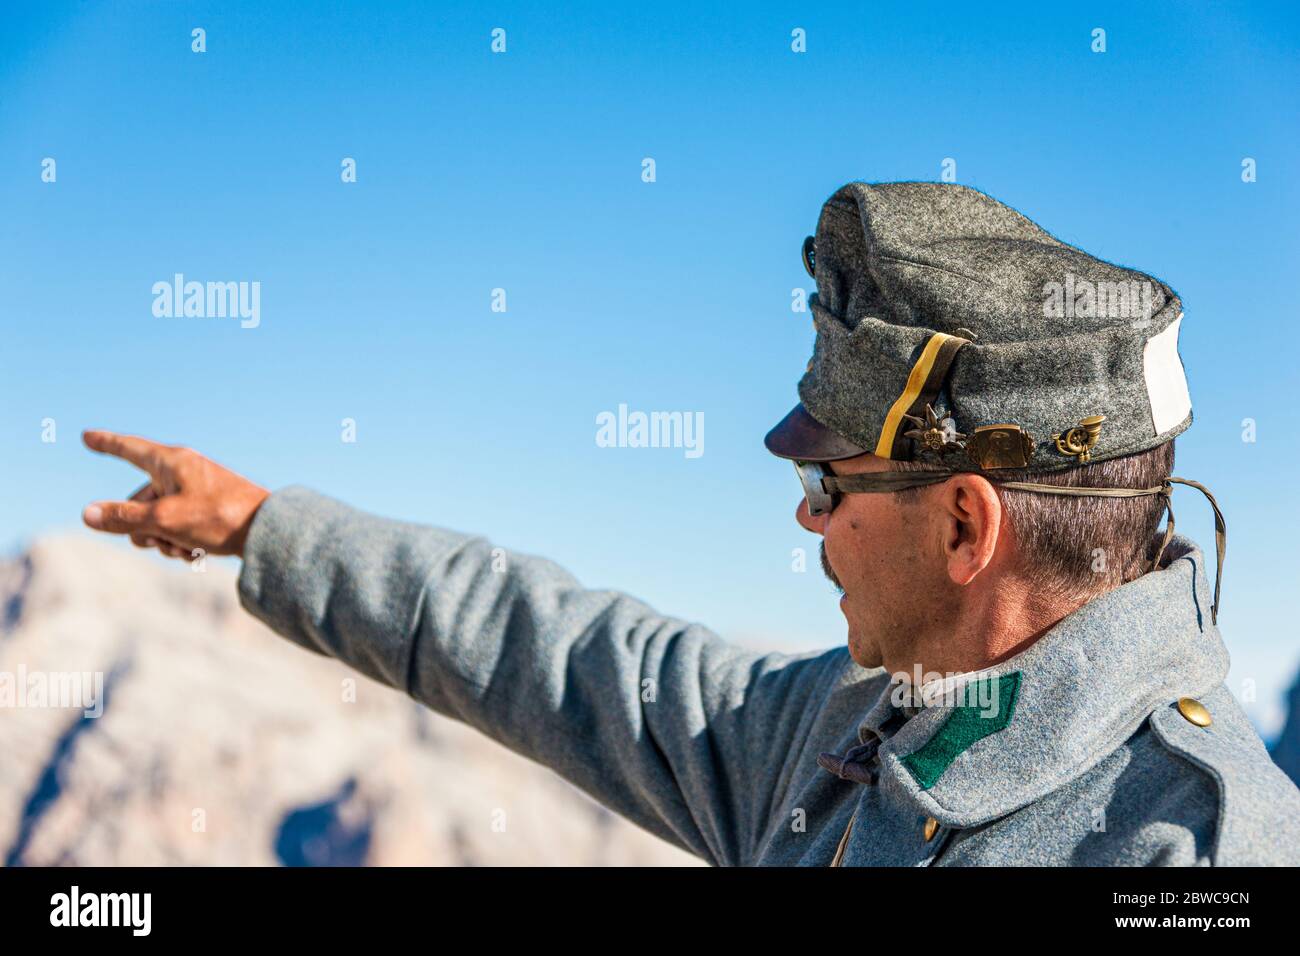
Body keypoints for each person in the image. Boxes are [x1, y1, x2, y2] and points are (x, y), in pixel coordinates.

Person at [81, 182, 1300, 865]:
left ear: (963, 528)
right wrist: (264, 527)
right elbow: (551, 650)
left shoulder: (1197, 851)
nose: (805, 512)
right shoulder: (858, 725)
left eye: (831, 482)